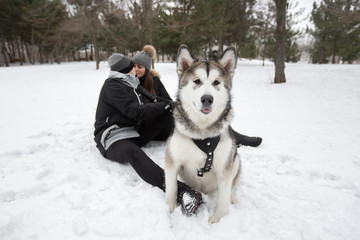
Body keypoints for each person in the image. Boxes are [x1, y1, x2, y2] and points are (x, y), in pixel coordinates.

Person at [94, 50, 202, 215]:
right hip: (113, 137)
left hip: (132, 132)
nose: (135, 70)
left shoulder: (131, 84)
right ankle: (180, 190)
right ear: (125, 70)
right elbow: (135, 111)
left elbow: (156, 102)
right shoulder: (112, 85)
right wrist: (164, 106)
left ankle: (198, 140)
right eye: (132, 67)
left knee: (167, 113)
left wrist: (173, 105)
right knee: (132, 152)